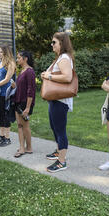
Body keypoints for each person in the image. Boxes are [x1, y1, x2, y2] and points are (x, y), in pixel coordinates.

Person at [41, 32, 74, 173]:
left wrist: (48, 75)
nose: (52, 45)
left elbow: (67, 77)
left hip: (61, 100)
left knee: (60, 130)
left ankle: (61, 161)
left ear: (62, 43)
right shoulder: (60, 58)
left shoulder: (64, 58)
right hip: (55, 99)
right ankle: (58, 151)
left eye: (54, 42)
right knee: (54, 127)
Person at [14, 51, 36, 158]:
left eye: (18, 58)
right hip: (17, 101)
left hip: (24, 103)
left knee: (25, 125)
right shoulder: (22, 71)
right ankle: (25, 147)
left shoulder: (29, 71)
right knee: (19, 125)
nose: (17, 60)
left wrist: (27, 107)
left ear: (25, 58)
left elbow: (31, 90)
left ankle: (26, 148)